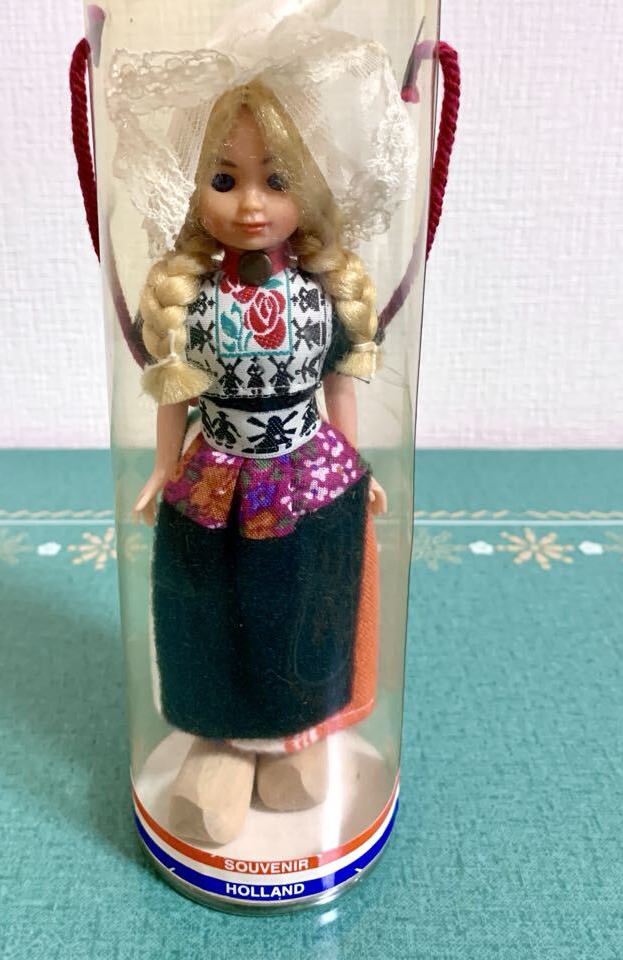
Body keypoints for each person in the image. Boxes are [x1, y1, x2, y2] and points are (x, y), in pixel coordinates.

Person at [132, 79, 386, 846]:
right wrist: (163, 466)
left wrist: (353, 462)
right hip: (216, 475)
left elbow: (338, 387)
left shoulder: (322, 295)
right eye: (225, 179)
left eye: (275, 181)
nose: (250, 205)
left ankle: (291, 733)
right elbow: (175, 392)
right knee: (211, 603)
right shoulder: (191, 298)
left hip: (303, 473)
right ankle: (221, 740)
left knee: (299, 601)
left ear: (307, 190)